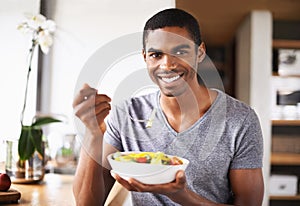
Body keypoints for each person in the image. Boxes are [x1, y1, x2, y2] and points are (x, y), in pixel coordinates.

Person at [72, 8, 264, 206]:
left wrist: (181, 195)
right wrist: (93, 133)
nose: (168, 65)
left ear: (200, 52)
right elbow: (87, 203)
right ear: (145, 57)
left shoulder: (240, 120)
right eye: (156, 55)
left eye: (180, 52)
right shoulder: (126, 115)